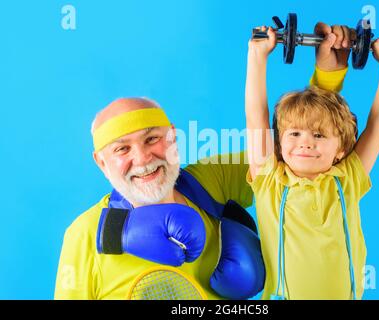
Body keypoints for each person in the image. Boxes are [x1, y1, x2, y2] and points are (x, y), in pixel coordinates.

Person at [54, 22, 354, 300]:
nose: (143, 158)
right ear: (101, 162)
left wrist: (326, 78)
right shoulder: (84, 235)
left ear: (172, 136)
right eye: (122, 150)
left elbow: (304, 151)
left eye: (152, 139)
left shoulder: (209, 182)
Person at [245, 24, 379, 300]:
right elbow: (256, 116)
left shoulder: (348, 178)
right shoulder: (270, 180)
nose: (305, 142)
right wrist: (257, 56)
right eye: (294, 133)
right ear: (280, 142)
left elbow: (377, 125)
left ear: (341, 149)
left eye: (318, 135)